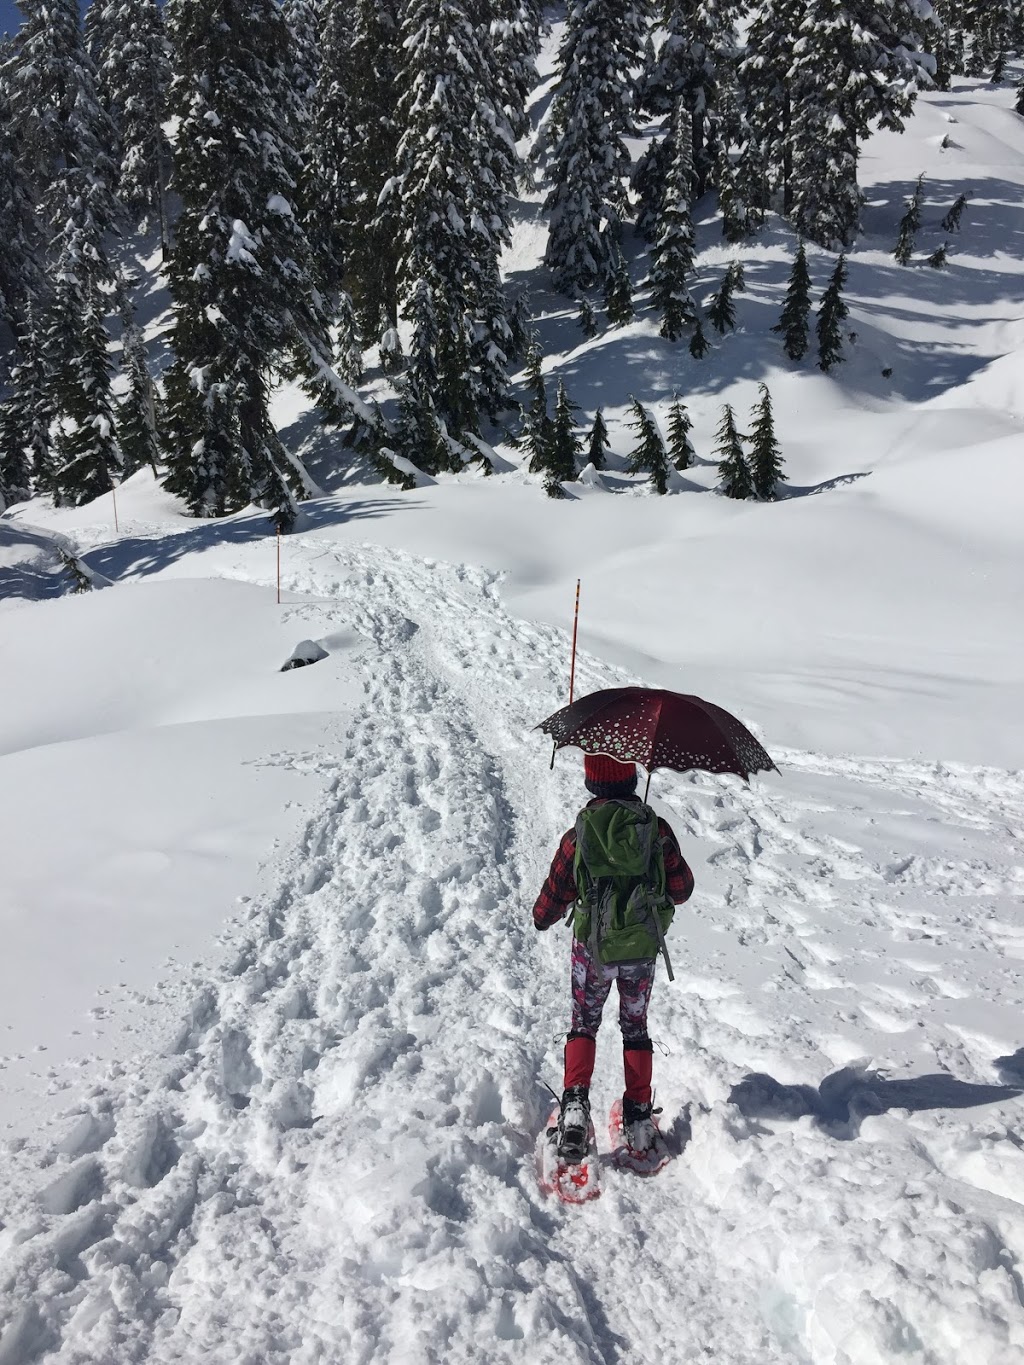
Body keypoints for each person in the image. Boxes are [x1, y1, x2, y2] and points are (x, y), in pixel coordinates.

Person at [533, 752, 694, 1159]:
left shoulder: (580, 834)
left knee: (584, 1023)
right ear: (632, 778)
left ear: (592, 783)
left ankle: (573, 1111)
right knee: (635, 1025)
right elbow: (682, 889)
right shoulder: (654, 829)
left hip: (593, 952)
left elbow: (553, 897)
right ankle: (639, 1117)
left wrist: (542, 917)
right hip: (641, 949)